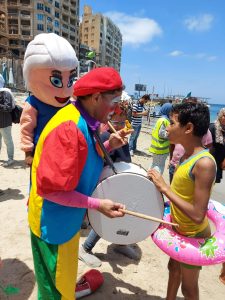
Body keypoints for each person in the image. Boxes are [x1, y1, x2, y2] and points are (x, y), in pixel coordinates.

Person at [28, 67, 132, 300]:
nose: (116, 109)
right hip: (54, 222)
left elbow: (83, 155)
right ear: (95, 97)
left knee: (60, 280)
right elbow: (52, 191)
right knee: (56, 290)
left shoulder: (85, 117)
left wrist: (110, 146)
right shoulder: (69, 127)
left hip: (66, 219)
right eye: (114, 101)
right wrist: (97, 205)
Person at [148, 102, 216, 300]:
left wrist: (164, 188)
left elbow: (197, 215)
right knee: (173, 269)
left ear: (188, 128)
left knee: (188, 288)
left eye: (172, 123)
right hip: (178, 229)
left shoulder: (204, 163)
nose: (167, 127)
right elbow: (183, 194)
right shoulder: (186, 155)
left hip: (194, 235)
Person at [79, 103, 138, 268]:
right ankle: (86, 248)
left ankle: (120, 243)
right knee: (106, 218)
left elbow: (125, 160)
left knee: (126, 213)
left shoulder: (122, 137)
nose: (120, 126)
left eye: (124, 122)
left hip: (122, 180)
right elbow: (100, 161)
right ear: (109, 120)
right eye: (116, 122)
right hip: (109, 182)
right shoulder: (104, 137)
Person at [20, 33, 78, 165]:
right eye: (56, 81)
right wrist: (28, 152)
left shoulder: (70, 104)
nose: (64, 90)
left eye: (70, 81)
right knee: (38, 183)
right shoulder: (34, 103)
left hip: (64, 152)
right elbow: (26, 128)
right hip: (41, 152)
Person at [208, 108, 225, 284]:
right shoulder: (213, 127)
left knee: (211, 188)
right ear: (220, 116)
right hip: (208, 164)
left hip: (218, 167)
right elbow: (206, 145)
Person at [148, 103, 172, 174]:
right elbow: (161, 134)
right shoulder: (164, 120)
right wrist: (170, 135)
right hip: (161, 148)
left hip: (156, 147)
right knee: (159, 166)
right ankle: (156, 180)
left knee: (154, 164)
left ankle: (149, 176)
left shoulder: (160, 119)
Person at [0, 74, 15, 167]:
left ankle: (10, 158)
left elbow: (8, 107)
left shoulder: (6, 92)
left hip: (5, 122)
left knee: (8, 141)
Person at [209, 108, 225, 183]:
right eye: (224, 115)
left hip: (219, 162)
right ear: (220, 115)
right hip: (210, 161)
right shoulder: (212, 127)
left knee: (213, 184)